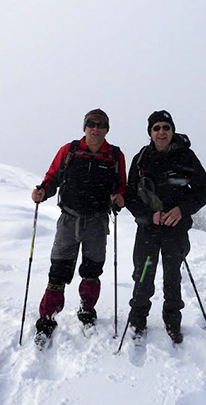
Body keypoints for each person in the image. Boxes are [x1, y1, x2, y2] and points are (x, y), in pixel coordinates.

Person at [31, 108, 126, 346]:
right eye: (91, 124)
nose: (95, 128)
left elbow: (121, 185)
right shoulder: (70, 150)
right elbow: (53, 177)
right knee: (59, 269)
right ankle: (47, 317)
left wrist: (120, 197)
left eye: (101, 124)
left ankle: (87, 310)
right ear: (84, 127)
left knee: (92, 270)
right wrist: (42, 191)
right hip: (69, 219)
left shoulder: (114, 155)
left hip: (97, 220)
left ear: (107, 129)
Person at [125, 110, 206, 344]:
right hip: (148, 229)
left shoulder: (186, 157)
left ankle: (173, 321)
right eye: (157, 128)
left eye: (166, 127)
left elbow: (204, 190)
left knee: (172, 275)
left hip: (176, 228)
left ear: (172, 130)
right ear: (150, 133)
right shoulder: (141, 159)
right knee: (143, 274)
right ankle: (138, 318)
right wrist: (148, 216)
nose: (161, 132)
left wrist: (181, 210)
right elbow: (130, 196)